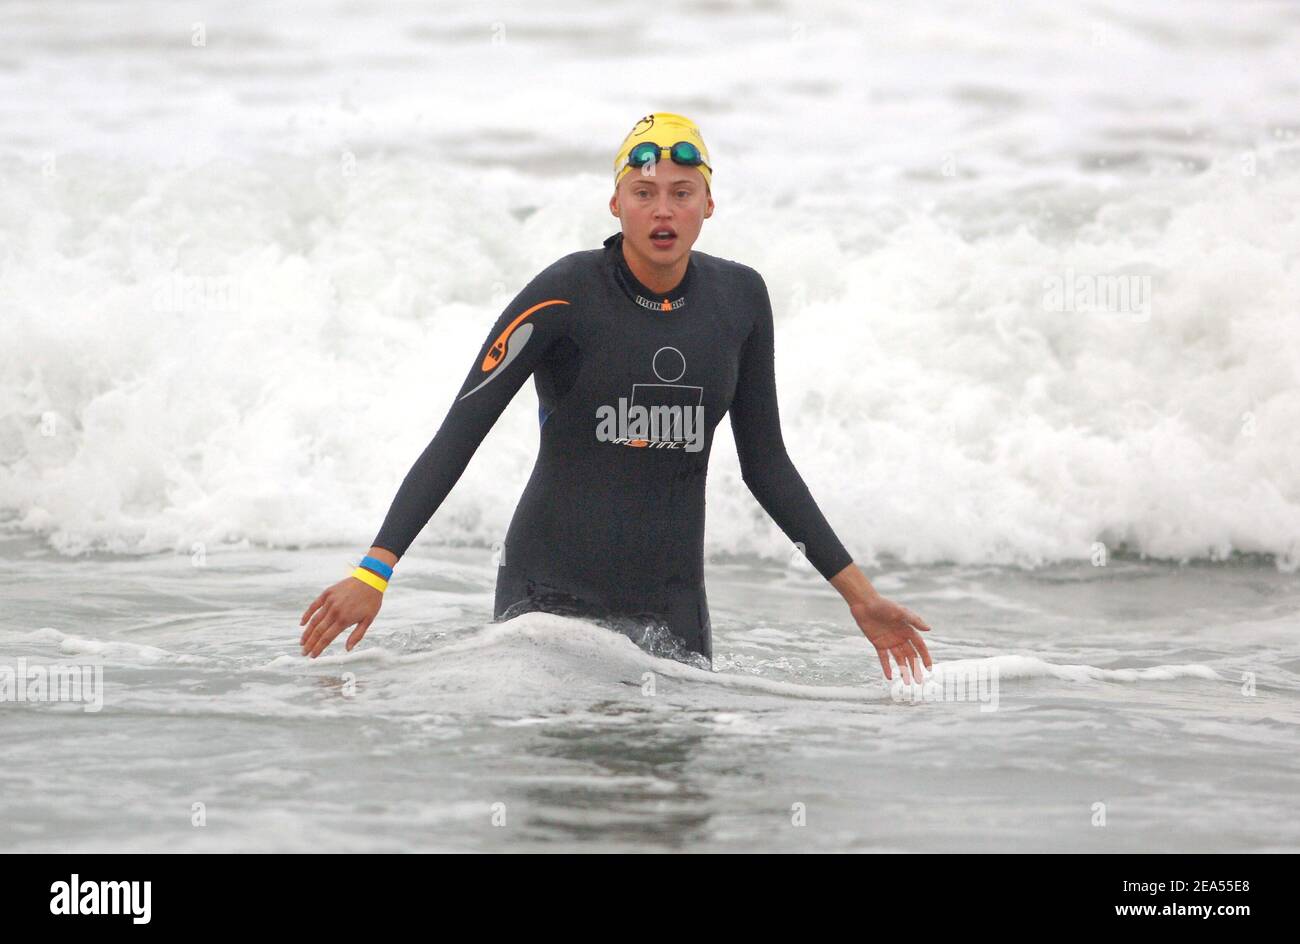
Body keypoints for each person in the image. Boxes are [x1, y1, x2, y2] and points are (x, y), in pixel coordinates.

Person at [300, 112, 933, 681]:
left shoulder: (740, 300)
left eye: (682, 194)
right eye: (645, 193)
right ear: (616, 203)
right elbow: (462, 431)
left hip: (672, 609)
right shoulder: (564, 294)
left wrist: (859, 594)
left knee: (677, 803)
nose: (664, 211)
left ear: (708, 204)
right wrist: (373, 572)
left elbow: (766, 465)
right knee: (563, 802)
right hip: (546, 599)